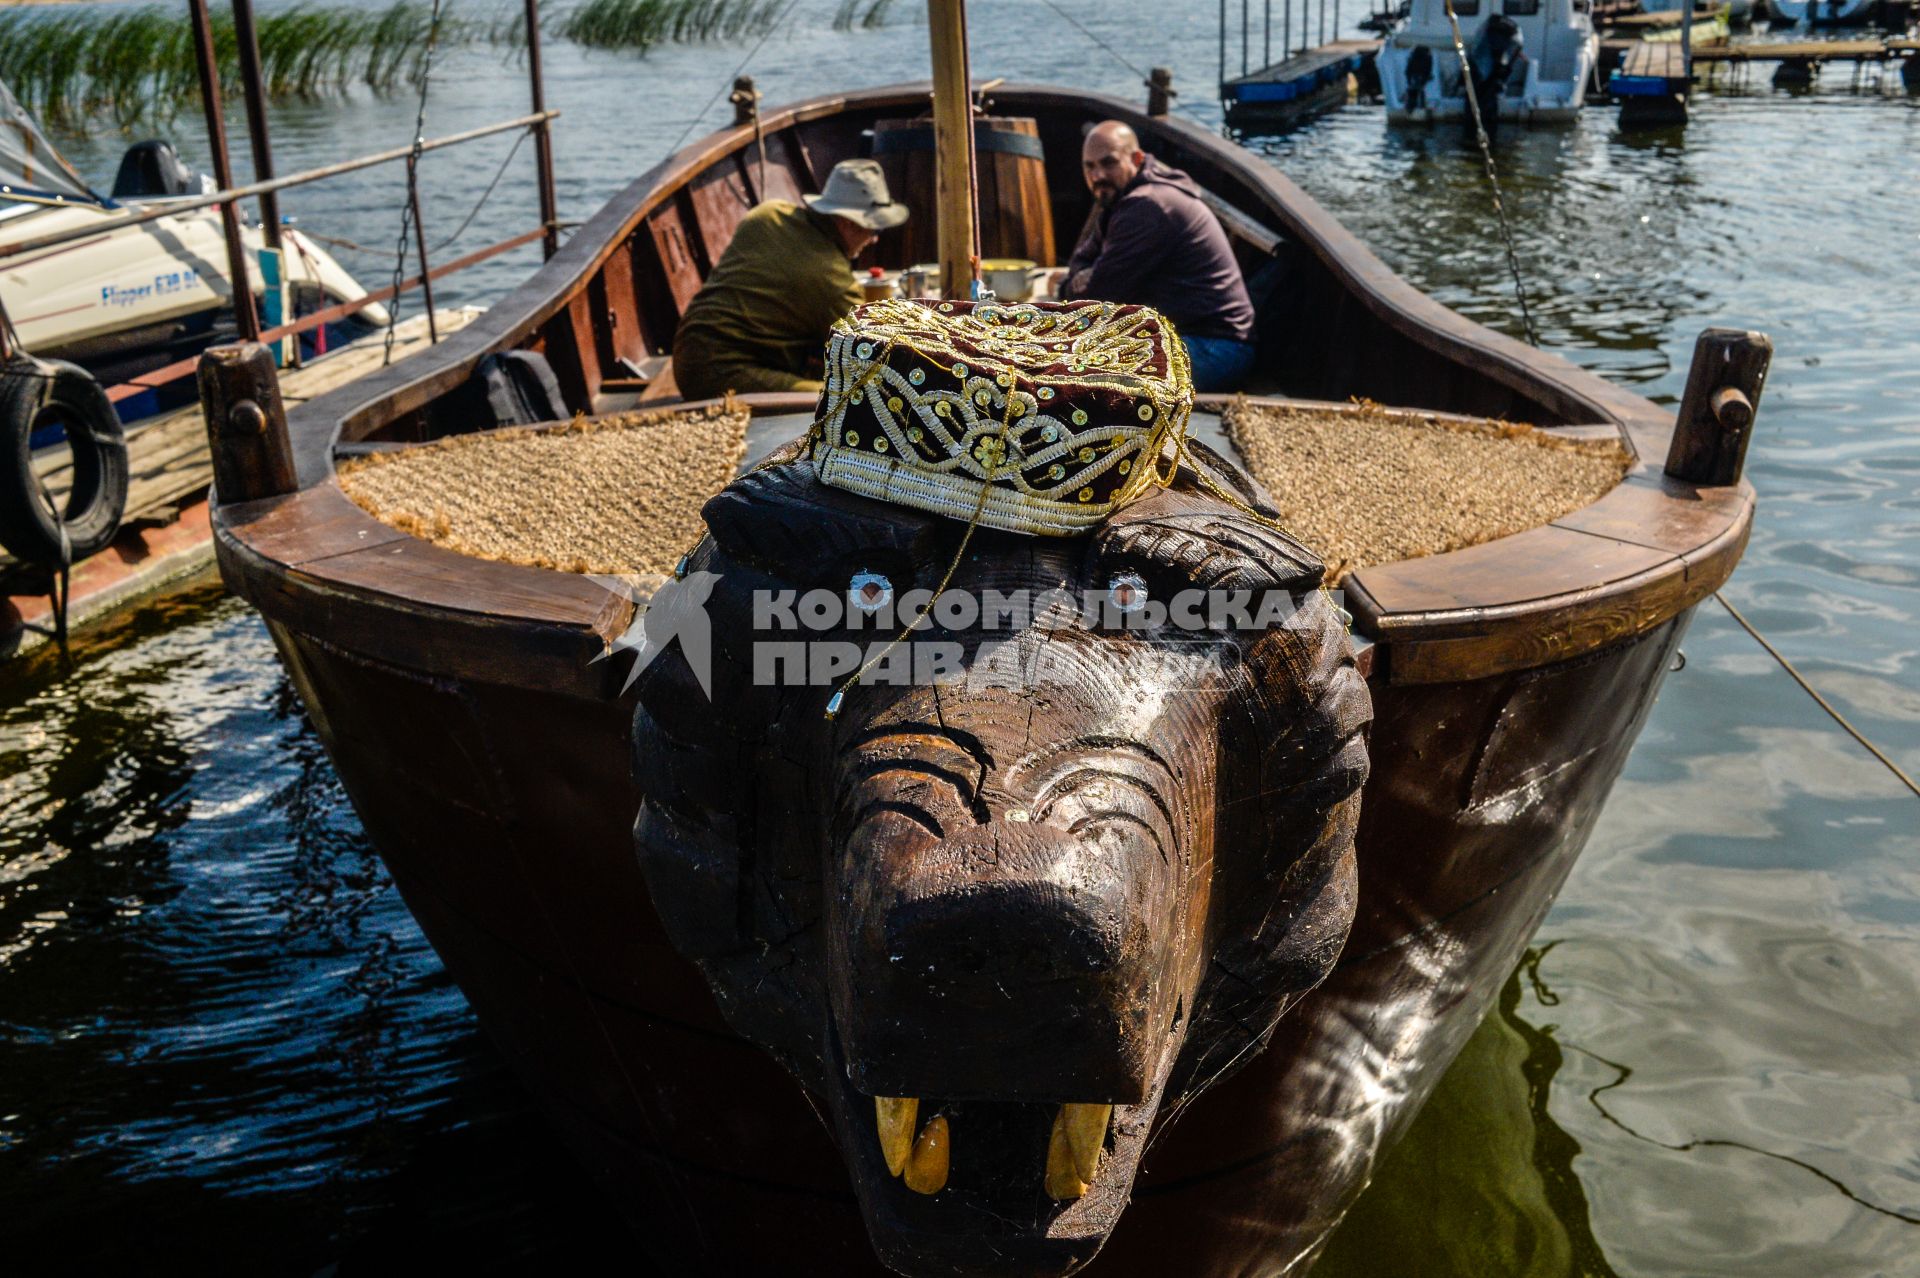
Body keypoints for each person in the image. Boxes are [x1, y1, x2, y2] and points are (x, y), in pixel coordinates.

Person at [672, 159, 908, 399]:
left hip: (687, 351)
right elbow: (869, 351)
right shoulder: (831, 279)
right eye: (874, 229)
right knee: (847, 398)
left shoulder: (768, 213)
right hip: (719, 374)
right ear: (848, 223)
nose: (874, 240)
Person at [1058, 121, 1257, 393]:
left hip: (1215, 347)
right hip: (1187, 336)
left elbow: (1097, 298)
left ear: (1136, 159)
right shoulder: (1122, 198)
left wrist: (1076, 283)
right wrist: (1078, 278)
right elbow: (1080, 261)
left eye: (1109, 163)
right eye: (1089, 166)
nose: (1098, 175)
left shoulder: (1147, 206)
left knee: (1082, 370)